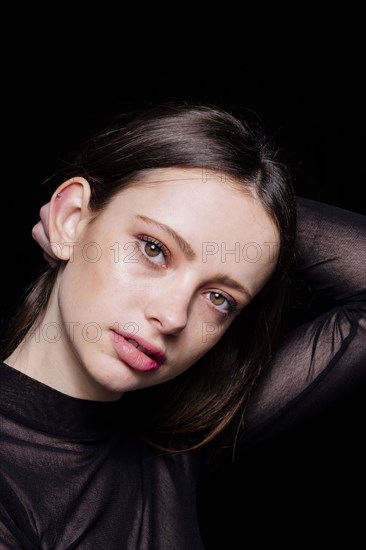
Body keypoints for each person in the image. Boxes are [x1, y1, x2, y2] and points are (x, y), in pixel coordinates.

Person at [0, 102, 364, 550]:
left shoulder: (177, 439)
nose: (173, 318)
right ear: (72, 216)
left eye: (219, 298)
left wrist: (255, 210)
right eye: (154, 248)